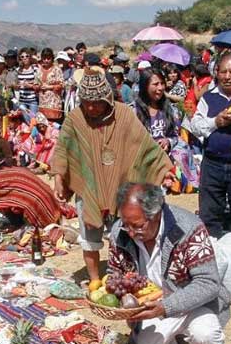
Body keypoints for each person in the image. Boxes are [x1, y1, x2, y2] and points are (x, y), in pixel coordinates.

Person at [107, 183, 228, 344]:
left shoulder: (188, 228)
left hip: (193, 304)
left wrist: (165, 307)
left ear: (156, 215)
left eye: (137, 226)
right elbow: (114, 275)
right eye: (125, 223)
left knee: (205, 333)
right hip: (152, 308)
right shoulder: (121, 232)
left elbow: (208, 283)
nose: (130, 231)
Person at [53, 72, 171, 280]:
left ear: (107, 98)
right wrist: (59, 178)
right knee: (89, 239)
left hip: (121, 187)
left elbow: (144, 146)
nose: (91, 108)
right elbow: (63, 149)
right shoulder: (76, 119)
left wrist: (164, 171)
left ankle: (128, 276)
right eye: (87, 102)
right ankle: (95, 280)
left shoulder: (124, 115)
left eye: (96, 103)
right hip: (89, 188)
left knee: (126, 235)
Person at [189, 52, 231, 237]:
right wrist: (216, 122)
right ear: (216, 72)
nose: (227, 77)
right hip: (213, 163)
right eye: (223, 71)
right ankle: (212, 252)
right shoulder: (209, 97)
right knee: (209, 212)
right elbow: (195, 126)